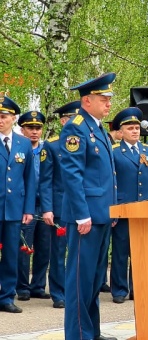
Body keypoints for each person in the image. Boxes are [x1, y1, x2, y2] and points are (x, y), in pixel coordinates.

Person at [59, 73, 118, 339]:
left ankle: (91, 331)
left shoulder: (98, 127)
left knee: (94, 280)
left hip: (102, 215)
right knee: (80, 282)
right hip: (86, 218)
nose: (108, 104)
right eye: (103, 99)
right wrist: (82, 214)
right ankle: (79, 334)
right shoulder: (76, 127)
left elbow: (107, 176)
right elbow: (72, 174)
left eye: (109, 99)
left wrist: (113, 210)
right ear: (87, 100)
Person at [109, 107, 148, 304]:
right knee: (121, 251)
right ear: (121, 131)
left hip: (146, 209)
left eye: (136, 128)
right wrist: (113, 210)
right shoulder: (115, 151)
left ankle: (138, 287)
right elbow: (111, 184)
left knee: (142, 251)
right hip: (123, 209)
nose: (134, 131)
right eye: (130, 128)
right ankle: (119, 289)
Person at [39, 101, 80, 309]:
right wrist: (47, 208)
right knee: (58, 252)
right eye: (71, 118)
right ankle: (58, 293)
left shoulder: (84, 142)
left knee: (79, 251)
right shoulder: (52, 145)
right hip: (59, 208)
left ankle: (75, 290)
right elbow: (45, 180)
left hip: (81, 206)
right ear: (63, 120)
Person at [0, 95, 36, 315]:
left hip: (14, 209)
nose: (0, 120)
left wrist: (29, 209)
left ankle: (7, 297)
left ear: (13, 118)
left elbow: (30, 178)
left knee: (12, 254)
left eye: (4, 116)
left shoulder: (23, 142)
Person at [16, 111, 50, 303]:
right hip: (25, 206)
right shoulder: (19, 149)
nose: (34, 132)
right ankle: (22, 287)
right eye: (30, 128)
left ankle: (38, 285)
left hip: (45, 205)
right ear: (22, 129)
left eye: (38, 128)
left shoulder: (47, 150)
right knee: (24, 247)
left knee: (44, 247)